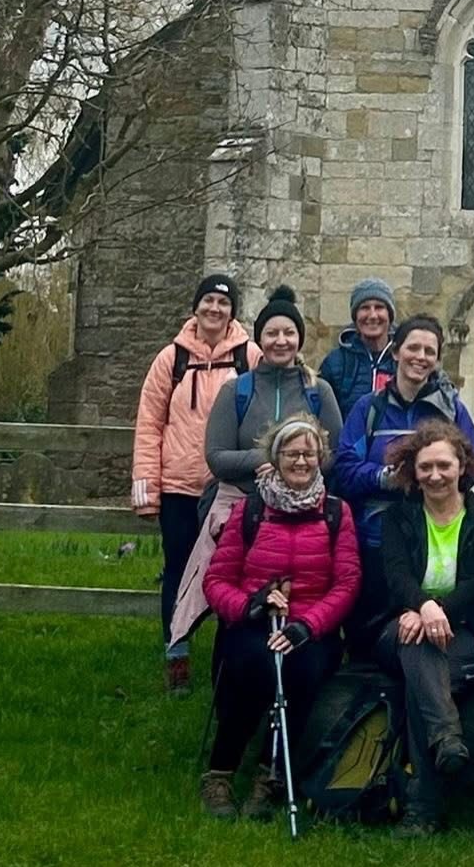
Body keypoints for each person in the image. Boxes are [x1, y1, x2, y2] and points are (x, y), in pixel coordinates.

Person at [200, 414, 360, 821]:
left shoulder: (337, 514)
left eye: (309, 453)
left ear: (321, 458)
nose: (301, 461)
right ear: (275, 457)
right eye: (292, 453)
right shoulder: (250, 511)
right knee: (247, 665)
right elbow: (217, 579)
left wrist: (307, 625)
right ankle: (220, 773)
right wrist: (249, 604)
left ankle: (271, 774)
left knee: (302, 671)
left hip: (310, 626)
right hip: (255, 618)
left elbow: (346, 583)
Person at [168, 285, 343, 648]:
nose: (281, 341)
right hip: (243, 506)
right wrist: (264, 461)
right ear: (260, 339)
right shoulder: (237, 391)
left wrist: (291, 470)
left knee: (303, 589)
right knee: (234, 586)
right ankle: (223, 653)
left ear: (299, 338)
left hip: (304, 511)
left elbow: (333, 453)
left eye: (289, 333)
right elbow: (217, 456)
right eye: (272, 333)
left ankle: (299, 650)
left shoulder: (318, 392)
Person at [131, 273, 261, 695]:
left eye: (223, 304)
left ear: (232, 312)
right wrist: (146, 488)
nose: (215, 309)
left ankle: (228, 659)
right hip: (180, 488)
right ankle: (177, 655)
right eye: (208, 301)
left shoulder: (250, 356)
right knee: (178, 572)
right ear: (196, 307)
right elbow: (150, 424)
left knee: (231, 572)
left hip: (229, 490)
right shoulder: (171, 359)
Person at [375, 421, 474, 837]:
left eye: (443, 465)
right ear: (413, 470)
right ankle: (447, 735)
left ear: (462, 465)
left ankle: (423, 810)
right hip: (400, 624)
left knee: (420, 671)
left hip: (467, 631)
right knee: (414, 642)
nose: (435, 475)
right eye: (425, 466)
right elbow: (395, 574)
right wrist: (422, 606)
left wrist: (437, 611)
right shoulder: (399, 516)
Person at [332, 314, 474, 648]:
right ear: (396, 352)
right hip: (374, 537)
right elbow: (344, 469)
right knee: (367, 631)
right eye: (413, 347)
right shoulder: (368, 408)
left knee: (416, 626)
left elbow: (472, 466)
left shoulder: (451, 410)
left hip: (427, 537)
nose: (421, 356)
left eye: (430, 350)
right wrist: (387, 478)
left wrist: (435, 478)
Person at [318, 277, 398, 420]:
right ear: (355, 316)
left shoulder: (404, 360)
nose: (372, 315)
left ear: (390, 316)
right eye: (365, 308)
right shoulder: (335, 363)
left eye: (379, 307)